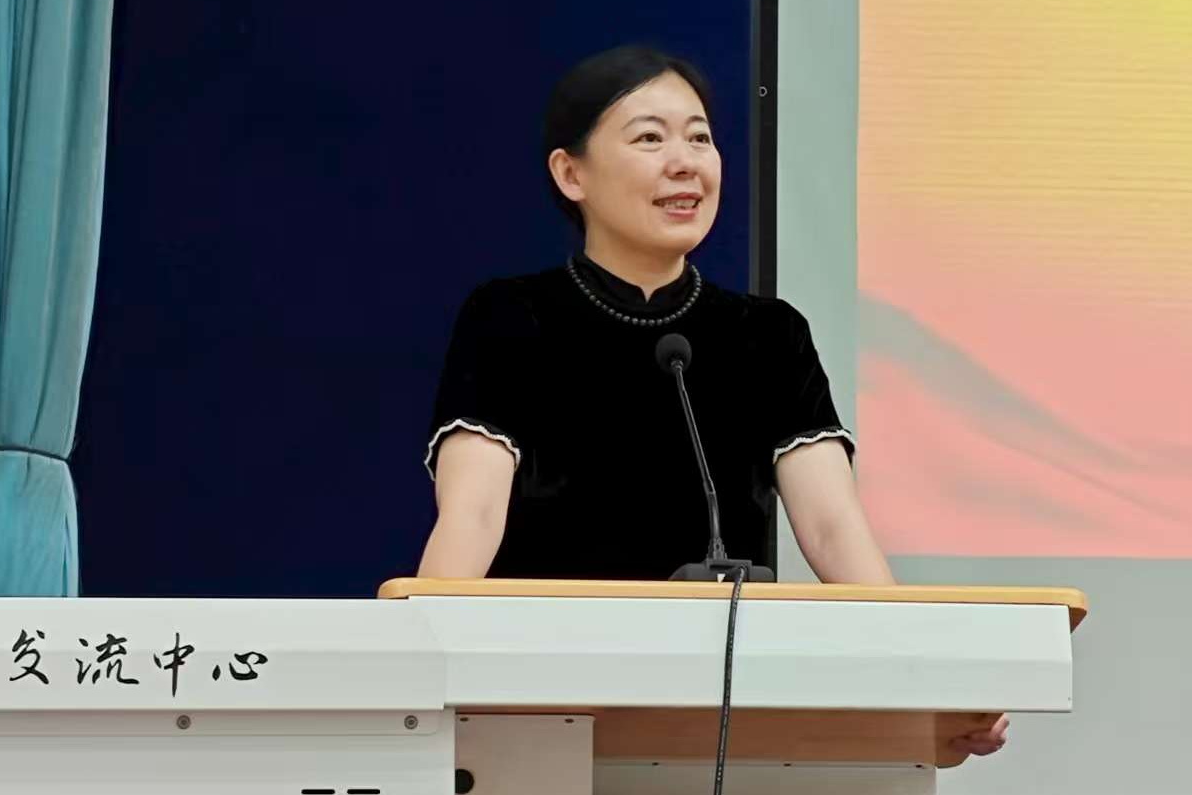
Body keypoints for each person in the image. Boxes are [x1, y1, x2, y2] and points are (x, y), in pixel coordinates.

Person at [417, 45, 1005, 757]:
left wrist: (918, 684)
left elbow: (832, 527)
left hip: (724, 710)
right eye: (649, 138)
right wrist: (414, 676)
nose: (685, 162)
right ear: (571, 174)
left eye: (699, 138)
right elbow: (473, 513)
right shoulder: (512, 316)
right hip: (541, 702)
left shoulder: (767, 334)